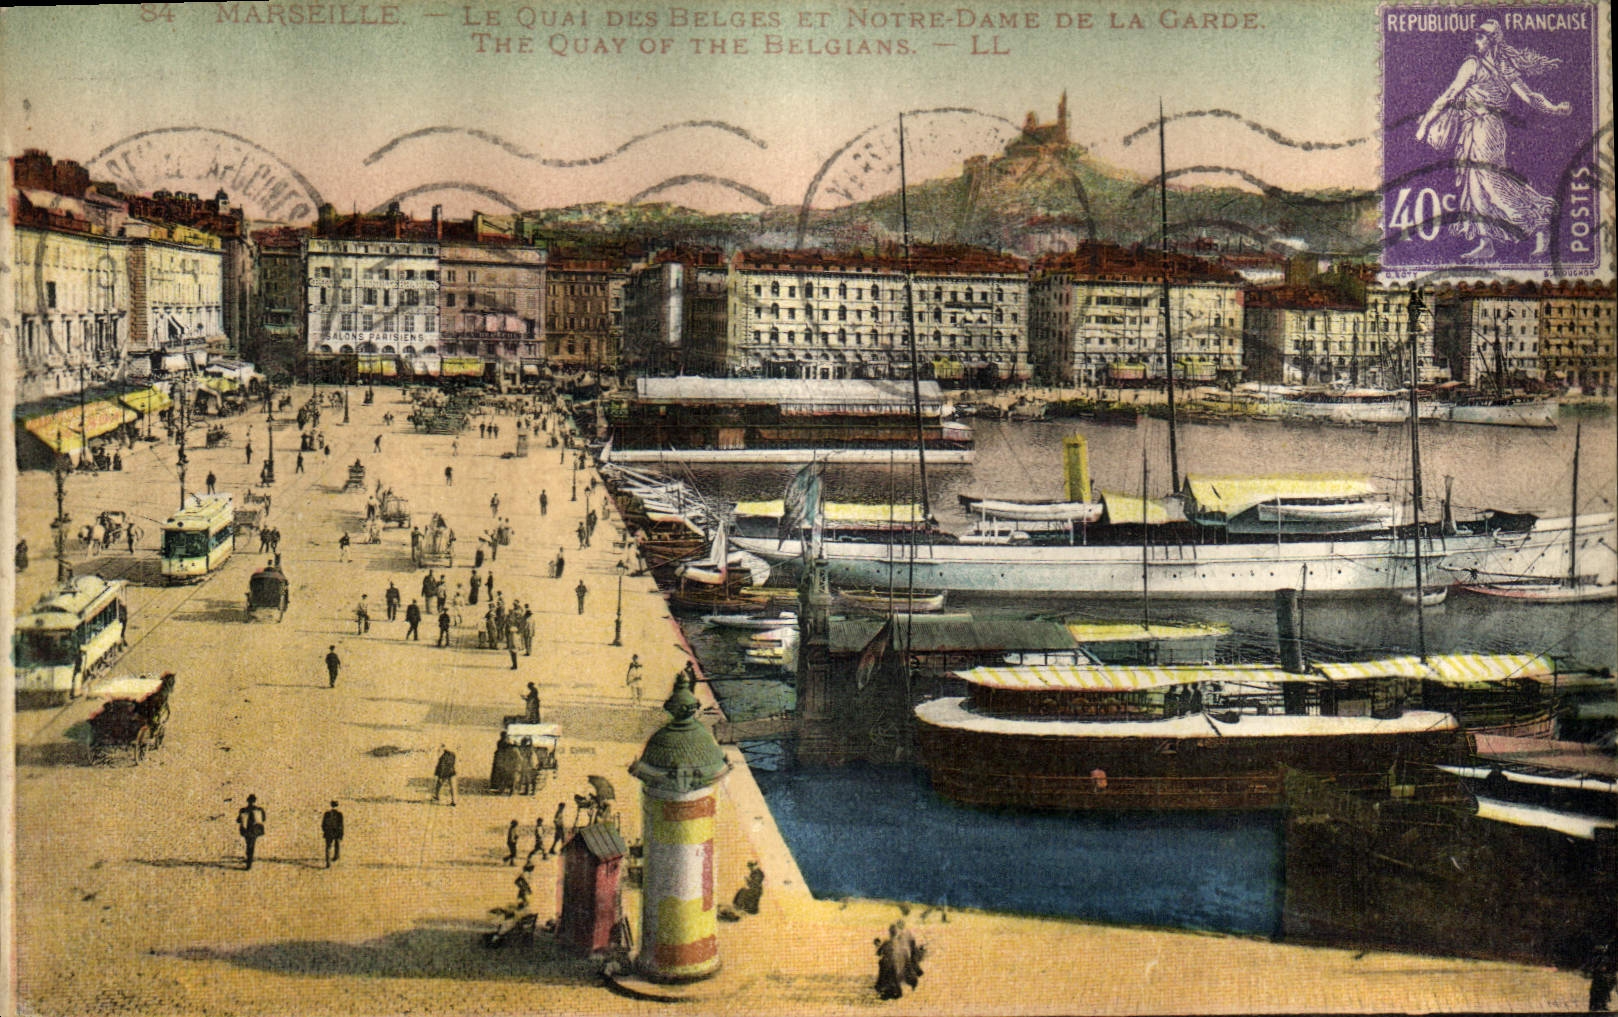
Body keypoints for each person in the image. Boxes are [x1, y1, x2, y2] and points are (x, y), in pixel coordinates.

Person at [1415, 18, 1572, 261]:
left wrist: (1553, 108)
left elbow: (1529, 96)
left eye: (1482, 36)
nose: (1476, 40)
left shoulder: (1491, 67)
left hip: (1487, 128)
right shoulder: (1475, 64)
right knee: (1474, 186)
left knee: (1492, 182)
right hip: (1471, 129)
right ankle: (1486, 242)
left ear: (1492, 40)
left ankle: (1538, 224)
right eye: (1476, 36)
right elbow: (1451, 95)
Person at [874, 924, 909, 1000]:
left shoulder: (887, 942)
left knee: (883, 964)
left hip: (889, 966)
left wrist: (877, 946)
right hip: (898, 967)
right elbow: (905, 955)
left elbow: (878, 953)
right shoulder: (901, 944)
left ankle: (883, 988)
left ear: (890, 933)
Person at [237, 794, 266, 870]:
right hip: (255, 830)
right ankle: (249, 861)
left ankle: (248, 861)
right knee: (252, 845)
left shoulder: (243, 810)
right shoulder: (259, 810)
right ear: (255, 801)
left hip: (246, 830)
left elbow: (238, 820)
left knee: (248, 844)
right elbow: (263, 819)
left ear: (248, 801)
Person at [321, 801, 344, 868]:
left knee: (328, 847)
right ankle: (336, 856)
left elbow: (323, 824)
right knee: (337, 844)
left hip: (329, 832)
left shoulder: (327, 814)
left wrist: (325, 831)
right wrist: (341, 834)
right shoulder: (339, 814)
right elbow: (341, 825)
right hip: (336, 832)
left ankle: (328, 863)